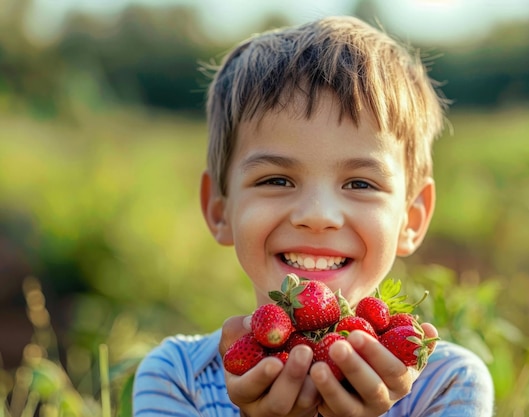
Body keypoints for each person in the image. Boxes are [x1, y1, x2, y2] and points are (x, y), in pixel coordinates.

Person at [132, 15, 494, 417]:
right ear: (219, 209)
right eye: (277, 180)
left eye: (360, 184)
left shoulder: (446, 384)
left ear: (411, 218)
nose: (318, 216)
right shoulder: (177, 379)